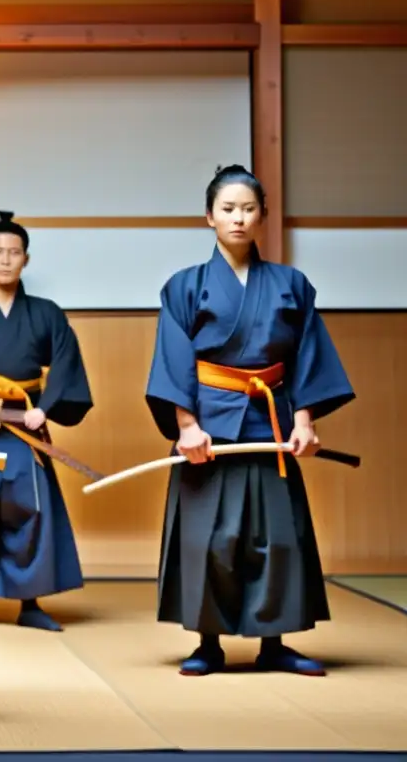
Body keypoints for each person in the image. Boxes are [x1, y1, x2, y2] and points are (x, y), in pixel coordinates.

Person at [145, 164, 355, 677]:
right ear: (209, 217)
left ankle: (274, 641)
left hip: (272, 423)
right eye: (227, 209)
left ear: (262, 216)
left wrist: (303, 419)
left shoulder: (291, 285)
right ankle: (208, 642)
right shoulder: (184, 287)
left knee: (275, 535)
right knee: (209, 537)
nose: (238, 218)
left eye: (248, 209)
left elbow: (307, 357)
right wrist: (186, 426)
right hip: (208, 427)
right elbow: (174, 360)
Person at [0, 212, 93, 631]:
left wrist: (44, 409)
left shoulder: (45, 312)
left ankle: (29, 602)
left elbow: (66, 362)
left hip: (26, 426)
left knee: (29, 509)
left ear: (25, 259)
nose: (5, 260)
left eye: (14, 252)